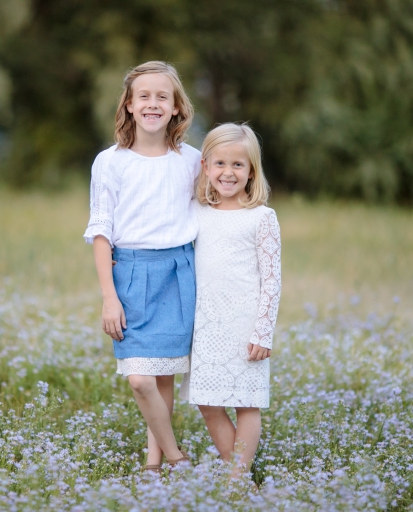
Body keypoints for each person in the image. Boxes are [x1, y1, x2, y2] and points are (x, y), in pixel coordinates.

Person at [83, 61, 200, 472]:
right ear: (130, 106)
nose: (153, 104)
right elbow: (101, 231)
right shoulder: (110, 162)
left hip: (178, 273)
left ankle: (153, 466)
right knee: (140, 378)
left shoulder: (193, 161)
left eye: (162, 97)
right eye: (144, 96)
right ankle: (177, 457)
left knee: (162, 375)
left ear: (175, 108)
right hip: (130, 274)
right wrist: (109, 297)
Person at [180, 123, 281, 477]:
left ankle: (237, 482)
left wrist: (263, 332)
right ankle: (235, 473)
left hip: (245, 325)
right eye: (220, 164)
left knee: (247, 403)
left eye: (238, 165)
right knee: (207, 401)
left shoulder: (262, 218)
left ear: (251, 170)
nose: (228, 172)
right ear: (206, 166)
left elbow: (272, 280)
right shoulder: (196, 211)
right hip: (206, 323)